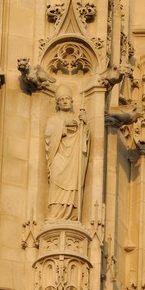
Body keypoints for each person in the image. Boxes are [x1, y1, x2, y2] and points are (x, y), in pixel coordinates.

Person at [45, 90, 89, 218]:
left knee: (72, 185)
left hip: (74, 158)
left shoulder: (78, 120)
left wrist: (84, 125)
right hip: (59, 155)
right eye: (62, 99)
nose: (65, 101)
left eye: (67, 98)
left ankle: (71, 214)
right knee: (56, 179)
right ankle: (55, 212)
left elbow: (85, 141)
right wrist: (63, 127)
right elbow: (49, 138)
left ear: (72, 101)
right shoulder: (54, 120)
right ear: (58, 103)